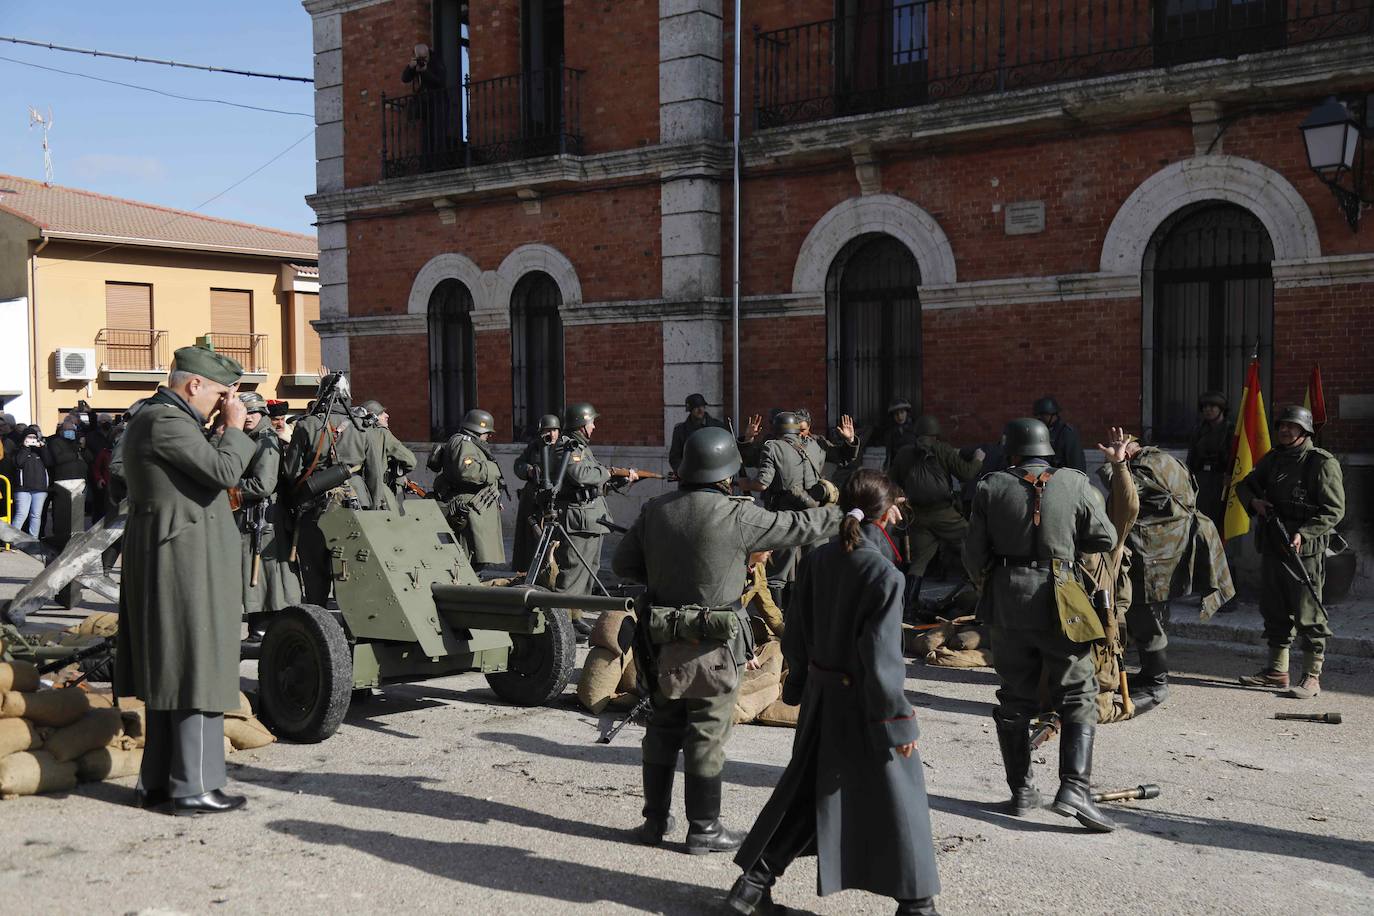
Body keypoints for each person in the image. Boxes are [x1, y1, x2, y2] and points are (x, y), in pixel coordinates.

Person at [611, 426, 841, 856]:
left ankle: (653, 822)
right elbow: (799, 526)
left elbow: (625, 565)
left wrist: (667, 579)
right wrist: (849, 512)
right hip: (713, 646)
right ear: (727, 473)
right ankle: (704, 829)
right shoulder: (738, 514)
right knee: (706, 732)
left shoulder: (655, 510)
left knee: (661, 728)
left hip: (659, 641)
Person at [728, 469, 941, 916]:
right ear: (885, 514)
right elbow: (881, 661)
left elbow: (795, 635)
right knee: (901, 798)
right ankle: (918, 907)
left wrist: (801, 683)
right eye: (896, 506)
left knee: (809, 794)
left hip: (824, 699)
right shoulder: (884, 574)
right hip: (863, 704)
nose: (901, 512)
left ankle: (749, 891)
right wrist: (898, 722)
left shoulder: (819, 558)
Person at [114, 346, 256, 815]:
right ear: (193, 384)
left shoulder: (164, 419)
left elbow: (202, 470)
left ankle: (157, 783)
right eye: (219, 393)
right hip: (184, 561)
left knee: (175, 671)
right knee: (197, 667)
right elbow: (223, 470)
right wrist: (232, 429)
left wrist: (222, 429)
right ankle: (194, 785)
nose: (223, 402)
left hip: (179, 554)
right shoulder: (165, 421)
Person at [964, 418, 1118, 832]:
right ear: (1048, 449)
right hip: (1061, 597)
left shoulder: (990, 486)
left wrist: (993, 584)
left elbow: (973, 556)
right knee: (1078, 692)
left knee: (1014, 695)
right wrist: (1064, 544)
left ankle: (1021, 791)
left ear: (1011, 451)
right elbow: (1105, 537)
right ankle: (1074, 788)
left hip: (1007, 600)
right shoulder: (1074, 482)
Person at [1098, 435, 1234, 715]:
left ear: (1130, 452)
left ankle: (1156, 682)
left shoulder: (1147, 467)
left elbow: (1126, 495)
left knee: (1146, 617)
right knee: (1147, 614)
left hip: (1153, 553)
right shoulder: (1166, 459)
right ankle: (1150, 674)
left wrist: (1114, 466)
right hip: (1164, 548)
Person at [1235, 406, 1345, 699]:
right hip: (1273, 543)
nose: (1285, 430)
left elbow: (1334, 510)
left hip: (1304, 551)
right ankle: (1276, 671)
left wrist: (1303, 533)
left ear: (1305, 431)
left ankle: (1311, 676)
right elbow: (1244, 485)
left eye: (1292, 426)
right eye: (1282, 425)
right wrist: (1256, 503)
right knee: (1274, 608)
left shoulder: (1320, 462)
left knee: (1309, 613)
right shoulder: (1273, 459)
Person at [283, 373, 385, 604]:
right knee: (350, 571)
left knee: (314, 572)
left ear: (320, 395)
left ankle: (318, 628)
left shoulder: (307, 425)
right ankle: (351, 634)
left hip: (314, 505)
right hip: (356, 507)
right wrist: (375, 510)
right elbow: (374, 475)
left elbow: (291, 472)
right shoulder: (363, 428)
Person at [889, 415, 984, 607]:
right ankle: (983, 591)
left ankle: (908, 605)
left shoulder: (904, 453)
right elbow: (966, 473)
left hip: (916, 515)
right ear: (935, 434)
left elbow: (892, 480)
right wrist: (978, 459)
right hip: (945, 515)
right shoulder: (942, 450)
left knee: (918, 562)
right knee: (973, 541)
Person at [746, 411, 834, 606]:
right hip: (814, 513)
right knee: (815, 569)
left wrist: (742, 484)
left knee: (777, 573)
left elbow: (762, 483)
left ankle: (780, 620)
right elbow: (841, 455)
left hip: (785, 516)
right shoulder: (813, 444)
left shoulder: (773, 447)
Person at [234, 392, 302, 641]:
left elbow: (263, 484)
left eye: (254, 412)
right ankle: (264, 628)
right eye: (246, 412)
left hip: (264, 517)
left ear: (262, 414)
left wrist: (230, 485)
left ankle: (262, 630)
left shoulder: (264, 440)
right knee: (263, 575)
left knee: (264, 575)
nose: (249, 417)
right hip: (256, 516)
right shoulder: (249, 437)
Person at [553, 402, 625, 614]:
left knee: (589, 571)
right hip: (579, 519)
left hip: (592, 517)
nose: (594, 427)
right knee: (573, 573)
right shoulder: (566, 446)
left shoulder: (582, 448)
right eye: (592, 422)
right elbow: (581, 475)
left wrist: (621, 479)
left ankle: (576, 616)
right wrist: (610, 472)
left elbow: (594, 481)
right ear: (581, 424)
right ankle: (562, 621)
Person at [429, 409, 505, 571]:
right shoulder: (464, 442)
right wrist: (493, 469)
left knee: (477, 557)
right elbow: (467, 470)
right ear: (478, 428)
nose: (489, 436)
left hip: (477, 507)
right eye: (487, 432)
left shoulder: (470, 443)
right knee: (469, 555)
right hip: (468, 508)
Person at [512, 414, 561, 573]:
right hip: (532, 499)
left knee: (554, 538)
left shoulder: (563, 447)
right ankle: (527, 570)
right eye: (548, 430)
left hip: (554, 498)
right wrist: (530, 471)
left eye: (554, 430)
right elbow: (518, 464)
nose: (551, 434)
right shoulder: (534, 447)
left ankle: (552, 568)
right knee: (529, 539)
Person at [361, 399, 417, 509]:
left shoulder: (357, 432)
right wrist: (398, 473)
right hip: (381, 492)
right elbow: (411, 461)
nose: (387, 415)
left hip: (360, 491)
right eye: (381, 413)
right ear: (372, 417)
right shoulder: (383, 433)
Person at [1187, 392, 1231, 531]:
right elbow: (1192, 457)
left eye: (1212, 406)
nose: (1208, 410)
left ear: (1221, 409)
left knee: (1221, 521)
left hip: (1222, 480)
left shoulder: (1230, 430)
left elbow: (1235, 457)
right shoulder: (1199, 430)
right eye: (1205, 407)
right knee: (1201, 519)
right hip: (1202, 479)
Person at [669, 394, 729, 473]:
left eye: (702, 406)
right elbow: (675, 458)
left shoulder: (718, 427)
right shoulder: (680, 431)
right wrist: (684, 471)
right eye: (696, 407)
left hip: (714, 476)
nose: (700, 410)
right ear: (690, 409)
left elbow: (726, 452)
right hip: (690, 479)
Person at [10, 426, 51, 537]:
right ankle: (11, 539)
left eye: (34, 437)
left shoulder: (40, 451)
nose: (32, 439)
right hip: (23, 489)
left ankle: (33, 540)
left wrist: (43, 448)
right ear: (24, 438)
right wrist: (25, 447)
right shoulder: (18, 450)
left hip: (40, 488)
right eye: (29, 437)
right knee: (21, 514)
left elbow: (49, 463)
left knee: (36, 515)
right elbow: (19, 463)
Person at [1032, 396, 1087, 472]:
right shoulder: (1039, 431)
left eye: (1043, 415)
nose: (1040, 418)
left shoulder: (1066, 432)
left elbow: (1076, 462)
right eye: (1038, 415)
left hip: (1062, 477)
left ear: (1053, 415)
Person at [880, 398, 916, 469]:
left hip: (913, 467)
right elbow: (889, 454)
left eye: (902, 412)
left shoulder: (915, 429)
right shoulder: (890, 432)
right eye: (896, 414)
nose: (899, 416)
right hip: (897, 466)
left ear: (907, 413)